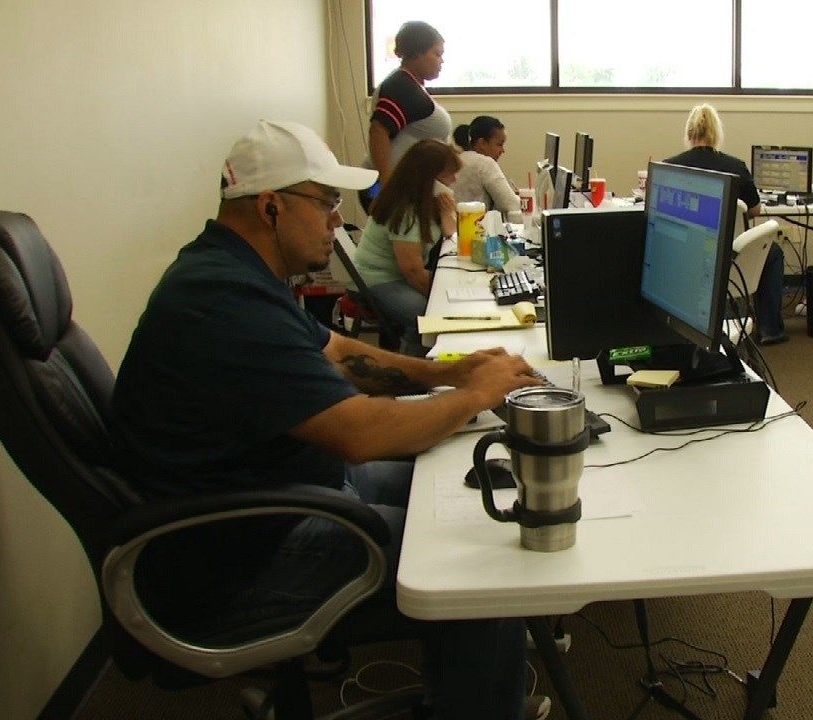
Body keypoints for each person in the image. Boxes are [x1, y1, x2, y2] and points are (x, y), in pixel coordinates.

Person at [111, 120, 547, 720]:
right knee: (480, 563)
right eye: (325, 203)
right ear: (270, 207)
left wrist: (452, 371)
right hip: (244, 553)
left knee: (460, 489)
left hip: (281, 491)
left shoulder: (232, 272)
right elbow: (359, 434)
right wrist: (475, 395)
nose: (337, 220)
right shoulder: (223, 302)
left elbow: (341, 355)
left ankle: (465, 694)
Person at [665, 103, 789, 345]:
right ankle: (771, 329)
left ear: (689, 133)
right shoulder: (736, 167)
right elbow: (754, 210)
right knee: (773, 253)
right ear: (716, 133)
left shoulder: (671, 166)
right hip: (730, 253)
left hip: (687, 252)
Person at [354, 138, 460, 356]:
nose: (454, 180)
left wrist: (447, 215)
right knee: (428, 317)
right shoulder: (405, 211)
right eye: (449, 175)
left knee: (444, 304)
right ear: (431, 180)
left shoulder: (426, 202)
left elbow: (450, 235)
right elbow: (412, 271)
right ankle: (412, 368)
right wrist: (440, 298)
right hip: (378, 279)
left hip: (398, 276)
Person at [361, 21, 452, 212]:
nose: (442, 61)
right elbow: (378, 131)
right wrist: (386, 186)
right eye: (437, 54)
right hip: (387, 188)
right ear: (418, 52)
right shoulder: (400, 85)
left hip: (406, 187)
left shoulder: (411, 85)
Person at [453, 115, 521, 216]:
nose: (502, 151)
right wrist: (521, 199)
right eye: (499, 144)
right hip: (475, 222)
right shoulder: (485, 163)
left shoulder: (457, 159)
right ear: (482, 143)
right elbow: (511, 204)